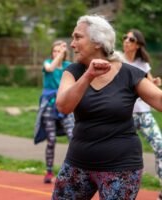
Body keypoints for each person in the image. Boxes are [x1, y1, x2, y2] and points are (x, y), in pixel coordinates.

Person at [52, 14, 162, 200]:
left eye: (78, 37)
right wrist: (88, 75)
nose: (71, 44)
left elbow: (159, 100)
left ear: (97, 42)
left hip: (122, 168)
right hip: (78, 164)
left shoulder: (130, 74)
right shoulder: (72, 72)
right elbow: (63, 106)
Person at [122, 29, 162, 200]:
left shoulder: (143, 64)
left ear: (137, 44)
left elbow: (150, 85)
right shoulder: (117, 61)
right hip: (125, 116)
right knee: (123, 154)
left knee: (161, 147)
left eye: (130, 39)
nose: (126, 41)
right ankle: (121, 190)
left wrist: (155, 82)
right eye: (124, 37)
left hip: (144, 114)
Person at [34, 40, 74, 184]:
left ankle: (72, 171)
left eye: (60, 51)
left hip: (64, 104)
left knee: (73, 137)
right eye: (55, 51)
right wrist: (61, 54)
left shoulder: (68, 66)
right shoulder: (47, 63)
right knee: (51, 140)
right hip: (49, 106)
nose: (57, 53)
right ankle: (49, 171)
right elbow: (50, 68)